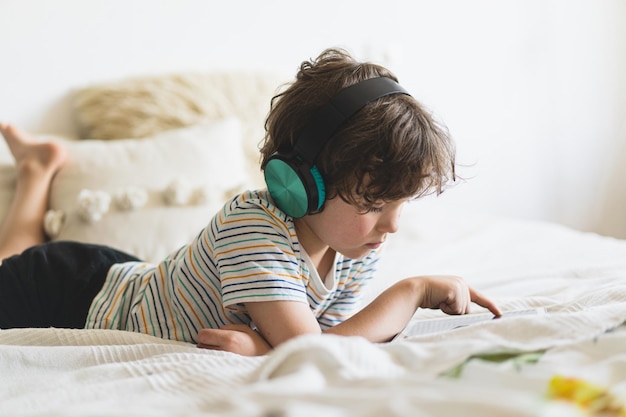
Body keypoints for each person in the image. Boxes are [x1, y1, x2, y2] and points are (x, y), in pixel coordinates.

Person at [0, 48, 501, 356]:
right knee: (13, 261)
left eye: (399, 202)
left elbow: (330, 337)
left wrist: (266, 348)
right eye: (373, 202)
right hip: (70, 290)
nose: (391, 225)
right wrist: (411, 292)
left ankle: (37, 169)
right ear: (301, 185)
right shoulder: (253, 230)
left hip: (130, 279)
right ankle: (37, 171)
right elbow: (313, 351)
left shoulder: (356, 243)